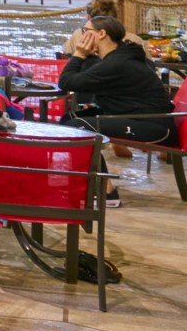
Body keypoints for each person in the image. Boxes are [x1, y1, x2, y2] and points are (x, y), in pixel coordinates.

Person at [58, 13, 176, 206]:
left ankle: (106, 192)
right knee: (68, 121)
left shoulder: (117, 63)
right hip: (147, 119)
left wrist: (79, 54)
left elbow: (65, 82)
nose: (81, 36)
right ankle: (87, 182)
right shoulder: (121, 56)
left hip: (155, 127)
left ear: (101, 33)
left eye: (86, 31)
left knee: (77, 127)